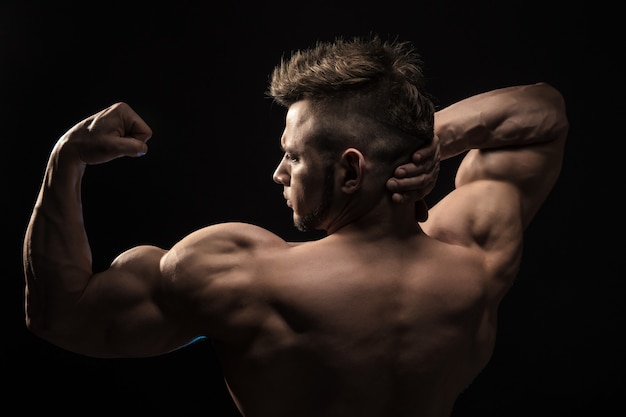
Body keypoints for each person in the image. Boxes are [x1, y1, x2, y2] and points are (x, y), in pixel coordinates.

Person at [22, 35, 568, 417]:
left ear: (351, 170)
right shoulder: (476, 250)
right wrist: (434, 138)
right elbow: (544, 113)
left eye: (293, 156)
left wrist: (64, 160)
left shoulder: (239, 275)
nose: (278, 172)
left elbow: (61, 314)